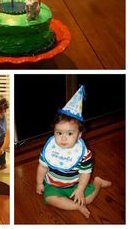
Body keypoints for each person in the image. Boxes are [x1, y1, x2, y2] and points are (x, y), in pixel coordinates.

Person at [36, 86, 111, 219]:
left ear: (79, 135)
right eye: (59, 133)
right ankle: (76, 206)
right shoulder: (50, 148)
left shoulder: (84, 154)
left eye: (70, 133)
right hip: (53, 185)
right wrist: (39, 182)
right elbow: (42, 166)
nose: (63, 138)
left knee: (88, 199)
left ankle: (97, 182)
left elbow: (85, 173)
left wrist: (80, 190)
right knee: (50, 198)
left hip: (75, 184)